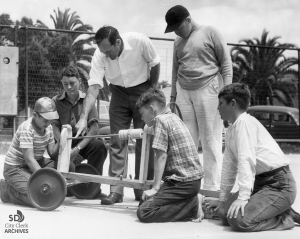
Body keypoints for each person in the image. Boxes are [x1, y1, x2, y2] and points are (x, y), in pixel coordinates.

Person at [74, 26, 161, 205]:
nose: (105, 55)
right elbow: (94, 87)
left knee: (145, 140)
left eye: (108, 51)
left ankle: (143, 190)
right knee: (117, 140)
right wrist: (83, 117)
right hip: (118, 94)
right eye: (102, 52)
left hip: (142, 90)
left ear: (118, 42)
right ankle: (116, 190)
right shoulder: (100, 54)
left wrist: (150, 93)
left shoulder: (140, 41)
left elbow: (155, 63)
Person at [204, 83, 300, 231]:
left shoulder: (245, 123)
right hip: (259, 184)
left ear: (233, 103)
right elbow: (229, 168)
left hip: (279, 185)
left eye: (221, 103)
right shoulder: (231, 129)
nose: (218, 108)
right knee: (224, 213)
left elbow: (246, 161)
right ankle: (276, 209)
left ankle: (285, 218)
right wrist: (222, 200)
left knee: (239, 220)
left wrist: (243, 198)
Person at [164, 5, 233, 191]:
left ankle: (212, 187)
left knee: (210, 140)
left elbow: (226, 63)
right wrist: (172, 95)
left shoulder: (210, 32)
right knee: (186, 141)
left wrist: (226, 94)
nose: (177, 32)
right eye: (173, 29)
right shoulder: (178, 41)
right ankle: (188, 185)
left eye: (178, 27)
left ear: (188, 19)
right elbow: (174, 71)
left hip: (208, 89)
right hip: (183, 92)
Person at [136, 88, 204, 223]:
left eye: (142, 113)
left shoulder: (160, 120)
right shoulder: (173, 117)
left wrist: (155, 188)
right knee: (145, 202)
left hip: (182, 183)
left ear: (152, 108)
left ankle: (193, 205)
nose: (142, 118)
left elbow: (161, 156)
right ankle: (191, 200)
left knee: (144, 211)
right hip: (191, 181)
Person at [0, 97, 75, 206]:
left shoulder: (48, 128)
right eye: (45, 120)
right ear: (35, 115)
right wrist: (43, 180)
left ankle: (41, 184)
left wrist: (62, 137)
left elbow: (52, 153)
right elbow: (29, 160)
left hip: (38, 162)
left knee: (69, 167)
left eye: (50, 120)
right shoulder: (27, 129)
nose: (48, 123)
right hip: (15, 168)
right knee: (39, 196)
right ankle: (7, 190)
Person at [52, 65, 107, 198]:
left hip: (83, 142)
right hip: (64, 142)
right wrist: (64, 148)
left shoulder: (88, 100)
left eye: (72, 83)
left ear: (79, 82)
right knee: (57, 167)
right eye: (65, 84)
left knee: (99, 147)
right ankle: (70, 186)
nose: (69, 87)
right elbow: (55, 129)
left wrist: (77, 149)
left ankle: (93, 188)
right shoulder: (55, 101)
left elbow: (94, 130)